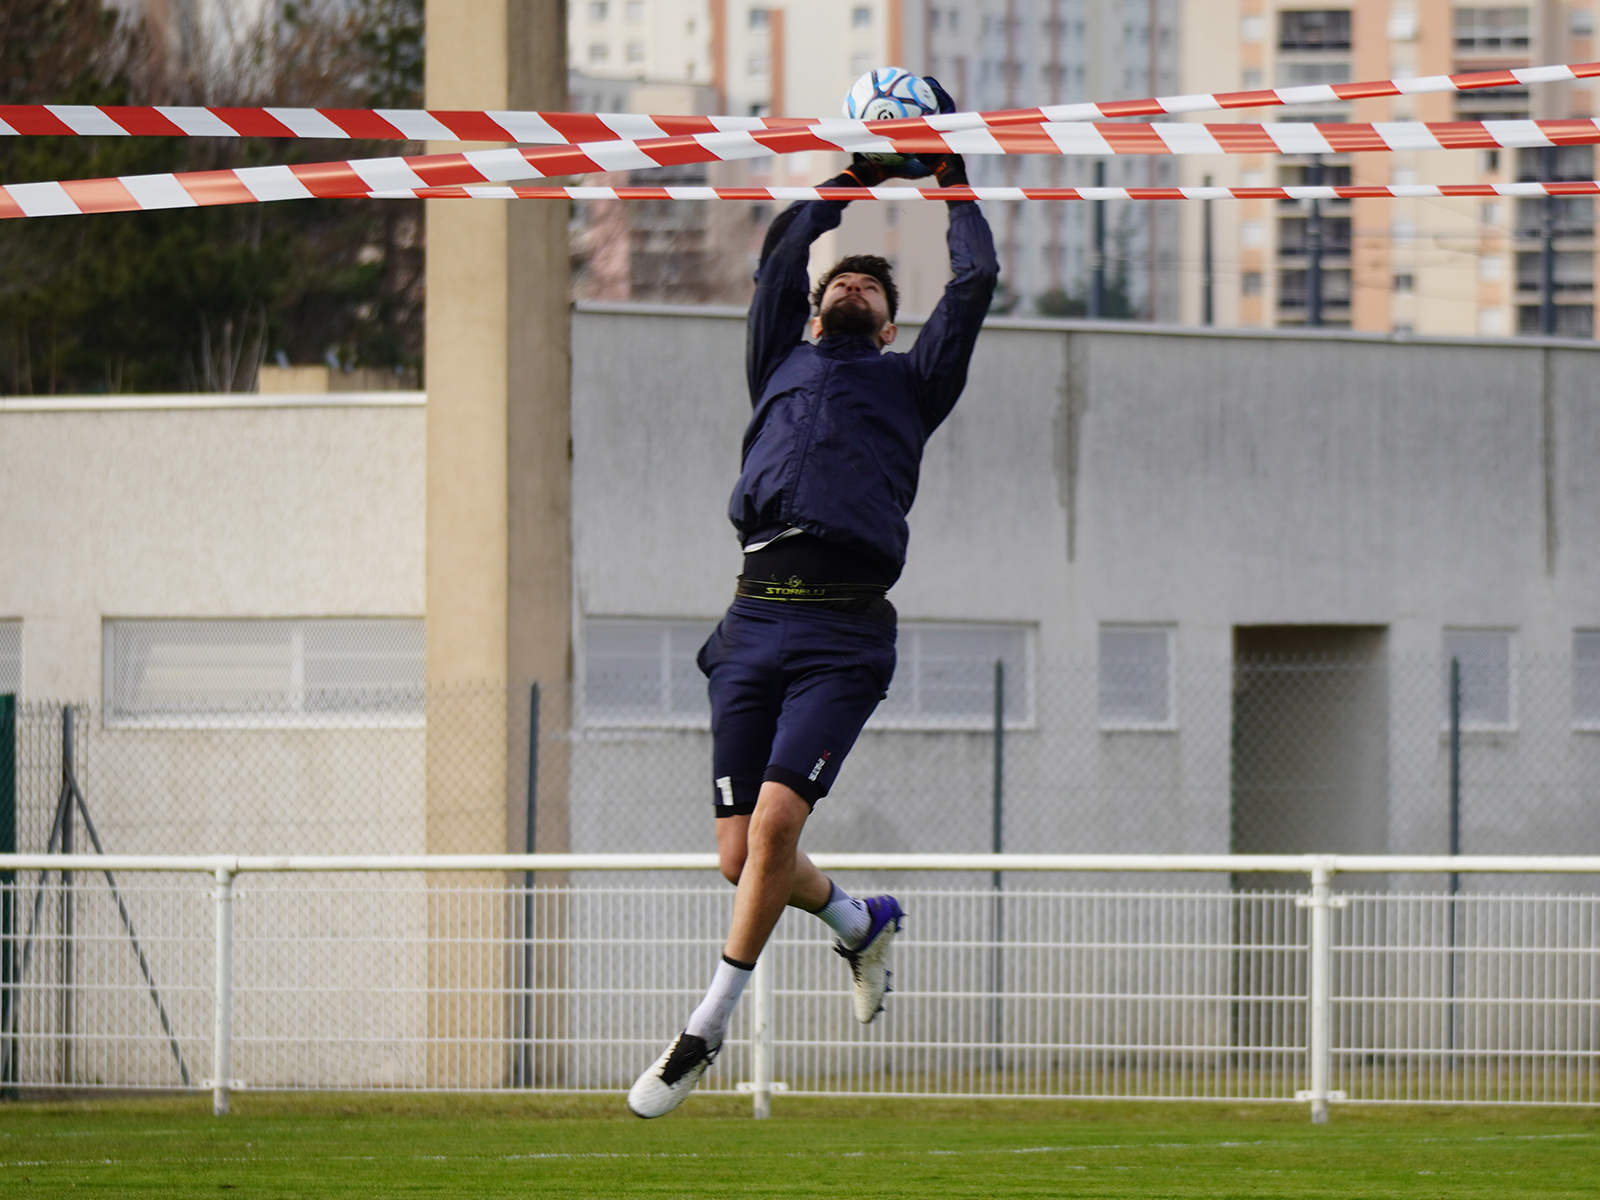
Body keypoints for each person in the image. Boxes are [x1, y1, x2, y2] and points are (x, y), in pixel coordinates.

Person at [628, 92, 999, 1119]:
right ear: (813, 307)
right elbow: (783, 248)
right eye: (841, 279)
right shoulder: (775, 361)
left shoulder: (912, 383)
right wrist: (853, 178)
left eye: (871, 290)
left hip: (840, 629)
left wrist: (947, 176)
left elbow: (974, 279)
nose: (851, 288)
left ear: (888, 322)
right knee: (741, 856)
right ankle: (858, 922)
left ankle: (704, 1027)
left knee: (780, 823)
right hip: (751, 619)